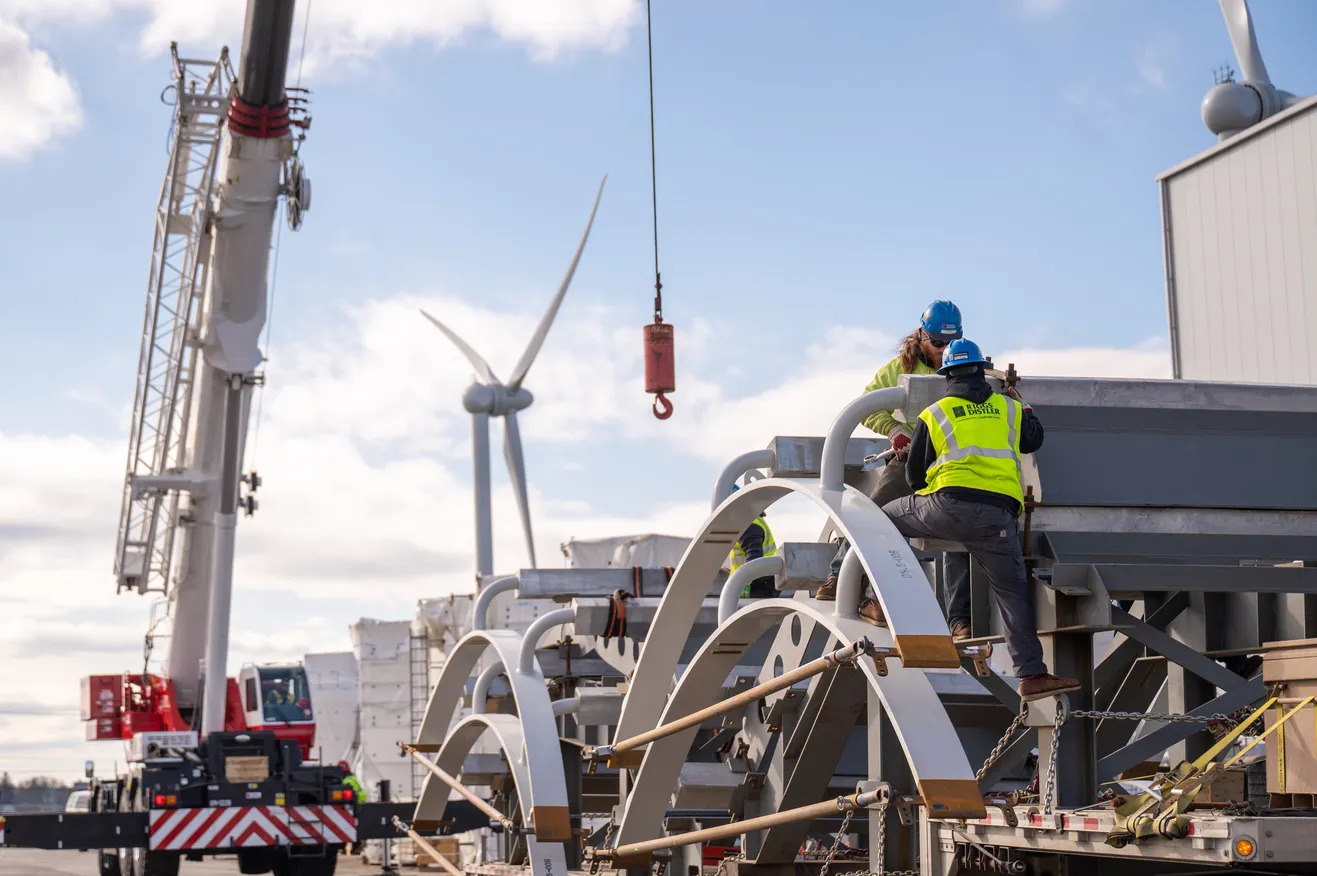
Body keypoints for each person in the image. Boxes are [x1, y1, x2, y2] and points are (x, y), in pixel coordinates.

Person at [880, 338, 1079, 702]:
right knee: (1012, 594)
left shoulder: (936, 413)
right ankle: (1032, 675)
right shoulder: (1007, 409)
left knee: (880, 520)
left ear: (947, 375)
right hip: (998, 519)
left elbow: (914, 476)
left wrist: (932, 495)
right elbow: (1033, 440)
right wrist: (1022, 403)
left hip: (946, 507)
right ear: (981, 372)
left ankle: (877, 601)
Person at [816, 300, 972, 635]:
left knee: (960, 529)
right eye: (937, 343)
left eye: (949, 343)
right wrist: (895, 431)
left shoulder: (966, 365)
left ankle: (959, 621)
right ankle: (843, 577)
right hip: (910, 457)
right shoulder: (898, 371)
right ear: (922, 335)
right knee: (876, 510)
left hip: (950, 463)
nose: (944, 350)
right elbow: (867, 406)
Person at [728, 485, 778, 598]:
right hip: (763, 586)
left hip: (757, 592)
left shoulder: (747, 525)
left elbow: (754, 564)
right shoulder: (752, 521)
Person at [338, 762, 364, 854]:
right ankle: (355, 848)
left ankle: (347, 848)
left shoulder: (346, 781)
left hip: (354, 805)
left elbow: (348, 795)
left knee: (347, 826)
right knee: (355, 827)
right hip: (359, 803)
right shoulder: (352, 778)